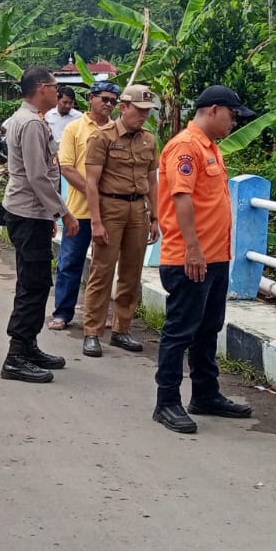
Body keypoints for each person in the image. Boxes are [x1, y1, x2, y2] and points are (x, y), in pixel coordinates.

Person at [152, 85, 257, 433]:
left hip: (215, 258)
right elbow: (181, 198)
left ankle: (205, 394)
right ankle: (166, 401)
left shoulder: (211, 147)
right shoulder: (186, 146)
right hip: (190, 258)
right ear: (213, 109)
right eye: (232, 115)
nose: (235, 123)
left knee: (207, 329)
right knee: (180, 331)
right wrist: (192, 248)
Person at [0, 65, 78, 383]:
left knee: (36, 281)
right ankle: (16, 355)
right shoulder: (30, 123)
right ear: (42, 88)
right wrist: (63, 212)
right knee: (33, 284)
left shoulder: (28, 119)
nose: (58, 92)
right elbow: (37, 176)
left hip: (32, 214)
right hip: (28, 213)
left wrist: (49, 215)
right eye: (55, 87)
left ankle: (28, 346)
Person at [80, 84, 161, 358]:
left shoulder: (149, 139)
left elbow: (152, 181)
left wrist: (155, 216)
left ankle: (121, 329)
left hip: (138, 209)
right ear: (123, 107)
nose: (143, 116)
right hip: (110, 207)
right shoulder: (102, 137)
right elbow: (91, 182)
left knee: (131, 272)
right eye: (139, 110)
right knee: (102, 272)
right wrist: (96, 222)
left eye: (147, 112)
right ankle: (92, 331)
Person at [49, 80, 118, 331]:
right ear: (91, 98)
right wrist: (94, 195)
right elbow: (66, 167)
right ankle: (63, 313)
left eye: (113, 101)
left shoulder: (118, 131)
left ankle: (100, 314)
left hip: (111, 212)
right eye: (104, 99)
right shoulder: (74, 129)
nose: (109, 104)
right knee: (69, 261)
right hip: (79, 210)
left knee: (105, 266)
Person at [44, 85, 83, 151]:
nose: (68, 106)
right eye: (65, 102)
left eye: (70, 103)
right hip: (53, 154)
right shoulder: (48, 116)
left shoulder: (79, 117)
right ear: (58, 100)